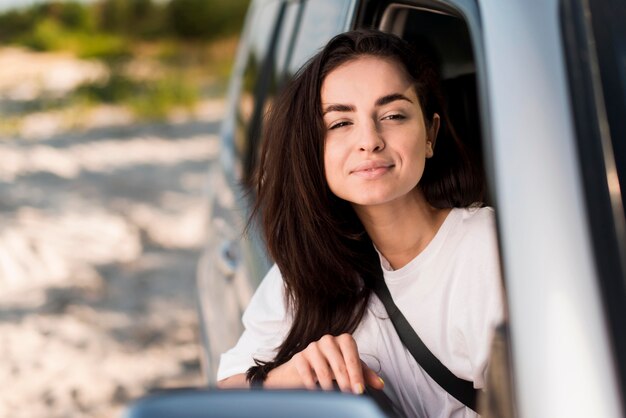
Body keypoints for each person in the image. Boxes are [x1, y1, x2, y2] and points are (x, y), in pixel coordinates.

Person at [217, 29, 504, 418]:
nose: (369, 140)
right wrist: (291, 374)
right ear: (312, 150)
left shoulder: (485, 251)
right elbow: (223, 398)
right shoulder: (309, 266)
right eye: (340, 123)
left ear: (430, 135)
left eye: (392, 115)